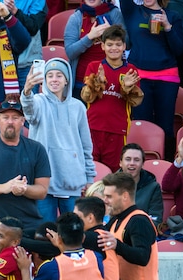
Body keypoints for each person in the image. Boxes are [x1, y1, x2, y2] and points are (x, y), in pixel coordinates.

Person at [21, 58, 95, 219]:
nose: (54, 79)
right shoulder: (38, 101)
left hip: (72, 183)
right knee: (46, 234)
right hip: (44, 183)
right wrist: (27, 90)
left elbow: (86, 146)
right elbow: (29, 112)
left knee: (73, 235)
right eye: (50, 76)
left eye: (59, 75)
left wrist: (89, 178)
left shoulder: (78, 107)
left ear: (67, 79)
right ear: (44, 80)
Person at [0, 100, 51, 230]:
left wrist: (24, 189)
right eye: (5, 117)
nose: (10, 122)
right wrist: (4, 187)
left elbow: (42, 191)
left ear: (23, 121)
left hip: (27, 224)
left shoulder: (37, 149)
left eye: (15, 118)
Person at [119, 0, 183, 159]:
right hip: (139, 76)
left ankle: (166, 167)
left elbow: (179, 50)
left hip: (167, 77)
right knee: (141, 124)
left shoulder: (172, 15)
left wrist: (168, 27)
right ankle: (140, 168)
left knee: (166, 126)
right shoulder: (132, 10)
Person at [81, 25, 144, 173]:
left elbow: (136, 101)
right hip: (92, 127)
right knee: (91, 170)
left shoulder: (130, 70)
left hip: (117, 129)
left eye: (118, 44)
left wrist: (128, 87)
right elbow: (86, 97)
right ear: (102, 46)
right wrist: (97, 82)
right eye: (109, 44)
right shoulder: (94, 67)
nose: (113, 48)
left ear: (124, 46)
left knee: (114, 172)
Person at [64, 0, 125, 99]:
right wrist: (89, 37)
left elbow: (127, 43)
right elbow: (70, 52)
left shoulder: (114, 13)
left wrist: (112, 33)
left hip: (111, 81)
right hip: (82, 81)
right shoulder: (76, 17)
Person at [118, 142, 164, 225]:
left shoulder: (153, 187)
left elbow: (155, 220)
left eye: (136, 160)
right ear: (120, 163)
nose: (132, 163)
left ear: (142, 164)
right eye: (128, 159)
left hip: (140, 234)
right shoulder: (109, 186)